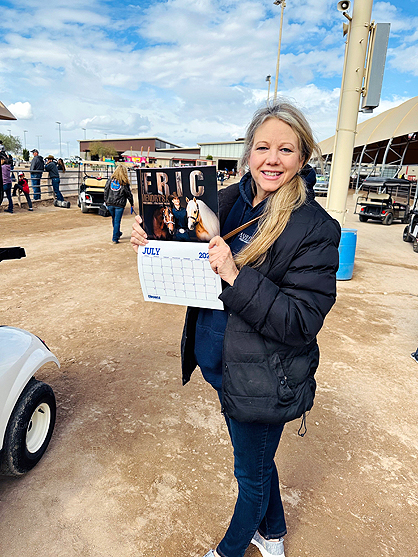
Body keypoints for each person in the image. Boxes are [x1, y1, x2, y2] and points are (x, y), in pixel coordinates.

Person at [131, 100, 341, 557]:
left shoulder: (316, 228)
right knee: (258, 460)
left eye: (286, 149)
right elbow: (188, 249)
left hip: (263, 377)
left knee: (250, 474)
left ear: (303, 156)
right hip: (222, 365)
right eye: (262, 147)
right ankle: (273, 532)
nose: (272, 159)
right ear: (248, 153)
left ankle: (230, 550)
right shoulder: (226, 201)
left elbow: (301, 321)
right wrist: (154, 239)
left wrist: (234, 274)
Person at [104, 164, 134, 244]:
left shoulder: (110, 180)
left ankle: (117, 233)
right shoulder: (124, 183)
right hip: (119, 204)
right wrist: (132, 203)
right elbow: (128, 194)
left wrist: (106, 201)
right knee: (117, 221)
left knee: (114, 219)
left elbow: (106, 190)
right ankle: (115, 238)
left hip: (110, 203)